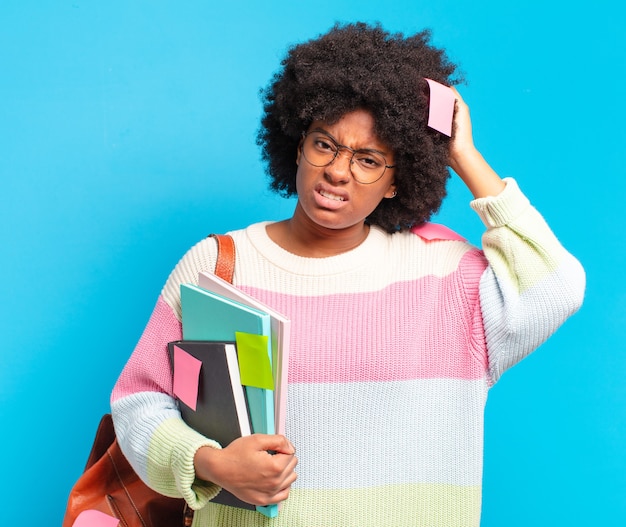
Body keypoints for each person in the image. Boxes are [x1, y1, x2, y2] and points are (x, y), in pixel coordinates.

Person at [110, 22, 585, 527]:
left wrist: (464, 157)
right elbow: (140, 403)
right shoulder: (217, 266)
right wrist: (210, 464)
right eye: (324, 145)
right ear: (297, 146)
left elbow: (556, 287)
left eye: (369, 159)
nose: (339, 171)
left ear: (397, 183)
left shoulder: (445, 275)